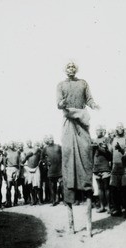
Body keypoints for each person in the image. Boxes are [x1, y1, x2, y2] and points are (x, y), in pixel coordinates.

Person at [57, 62, 99, 237]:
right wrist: (62, 103)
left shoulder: (83, 83)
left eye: (74, 68)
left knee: (85, 155)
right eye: (68, 68)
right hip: (69, 124)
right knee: (68, 158)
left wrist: (94, 104)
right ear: (65, 70)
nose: (71, 70)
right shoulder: (61, 85)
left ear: (77, 70)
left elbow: (89, 99)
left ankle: (89, 225)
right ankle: (70, 224)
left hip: (82, 123)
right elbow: (59, 103)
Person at [109, 122, 126, 216]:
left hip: (123, 165)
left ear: (123, 129)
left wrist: (120, 149)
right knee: (114, 189)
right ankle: (118, 209)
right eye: (118, 127)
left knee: (124, 190)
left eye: (121, 127)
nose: (119, 129)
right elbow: (111, 152)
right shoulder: (113, 139)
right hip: (115, 166)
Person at [92, 125, 112, 213]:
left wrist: (98, 148)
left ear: (103, 131)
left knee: (106, 188)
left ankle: (108, 206)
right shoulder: (94, 141)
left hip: (105, 167)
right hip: (96, 167)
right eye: (96, 130)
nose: (97, 132)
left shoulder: (106, 139)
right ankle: (102, 206)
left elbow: (110, 153)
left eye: (99, 130)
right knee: (99, 188)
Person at [41, 135, 62, 206]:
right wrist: (46, 162)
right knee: (52, 186)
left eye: (51, 138)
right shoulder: (45, 148)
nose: (51, 139)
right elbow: (42, 158)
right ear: (47, 140)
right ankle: (53, 201)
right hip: (51, 170)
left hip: (59, 169)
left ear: (53, 139)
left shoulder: (58, 146)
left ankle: (63, 200)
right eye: (49, 138)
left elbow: (63, 155)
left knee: (61, 185)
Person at [3, 141, 21, 207]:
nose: (12, 146)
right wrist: (4, 171)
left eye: (13, 144)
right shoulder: (6, 152)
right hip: (9, 169)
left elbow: (19, 162)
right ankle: (9, 202)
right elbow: (4, 163)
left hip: (15, 169)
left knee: (16, 187)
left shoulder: (17, 152)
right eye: (10, 144)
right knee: (8, 187)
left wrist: (19, 170)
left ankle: (15, 202)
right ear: (8, 146)